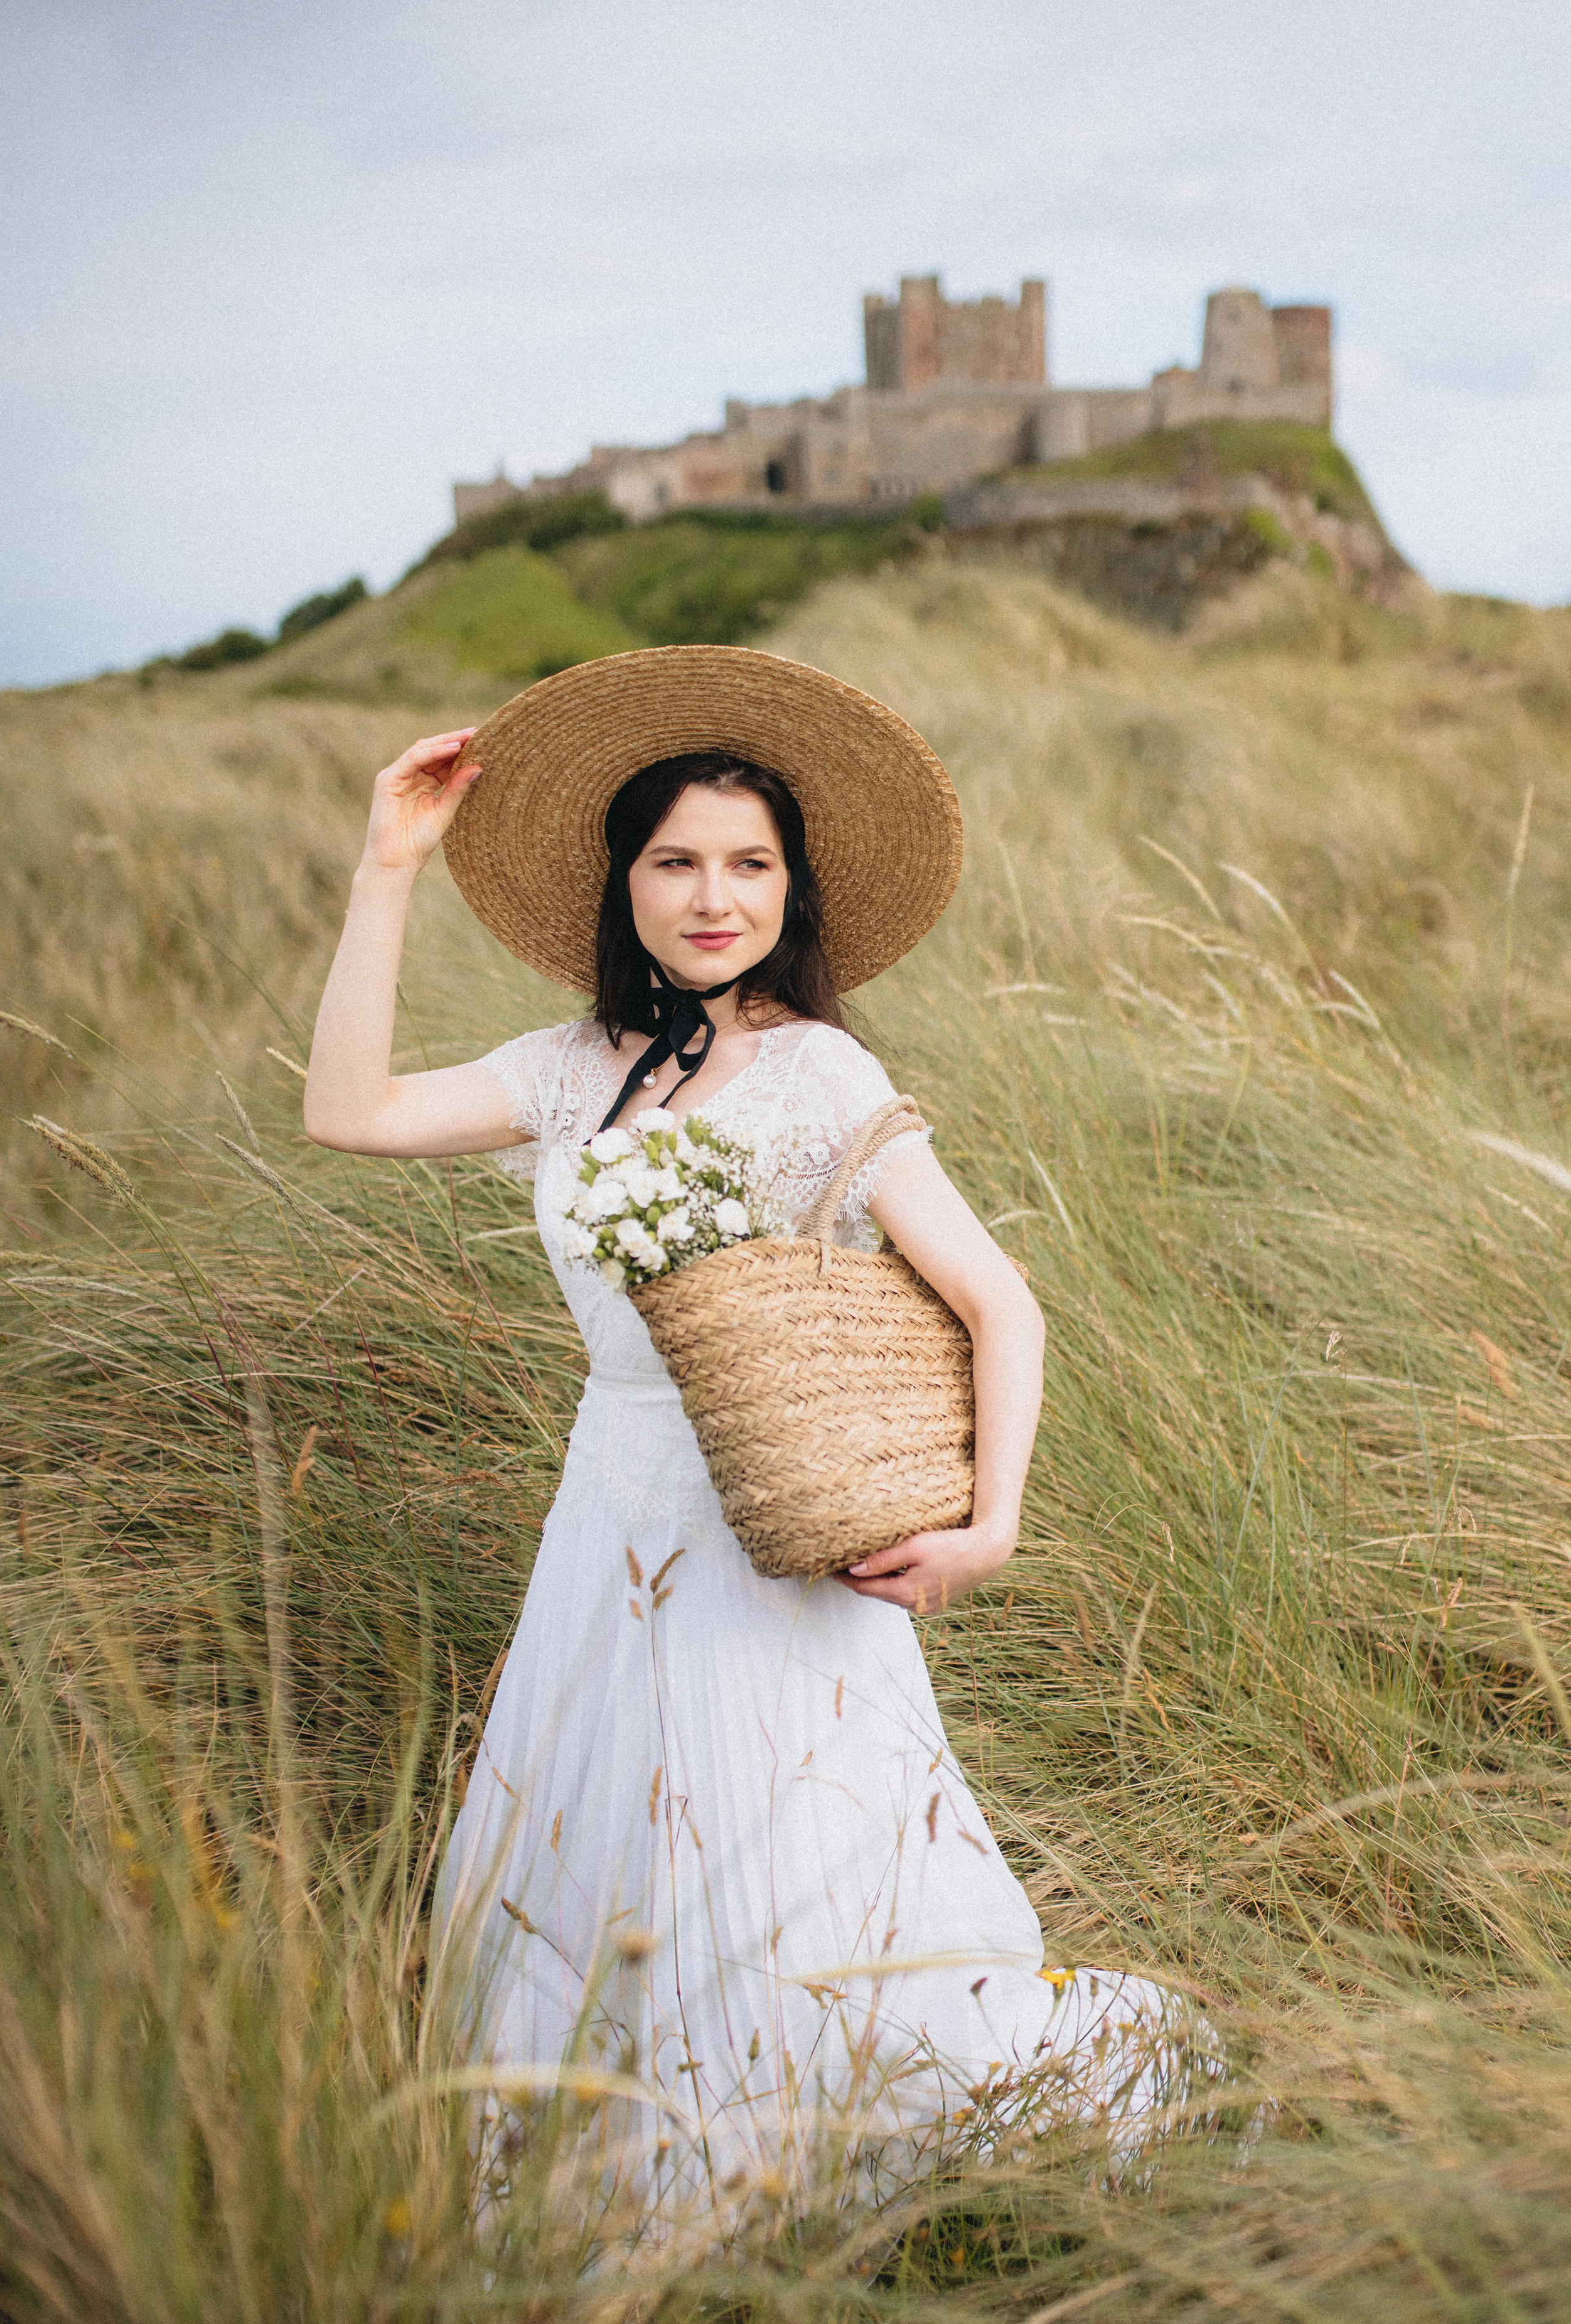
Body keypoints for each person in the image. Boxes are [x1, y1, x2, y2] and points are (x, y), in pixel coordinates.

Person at [304, 647, 1210, 2220]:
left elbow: (1003, 1306)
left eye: (747, 863)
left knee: (783, 1854)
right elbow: (348, 1113)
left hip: (771, 1531)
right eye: (673, 862)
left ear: (791, 888)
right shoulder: (570, 1070)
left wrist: (985, 1531)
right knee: (598, 1838)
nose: (710, 896)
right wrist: (387, 868)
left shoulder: (822, 1071)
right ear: (625, 884)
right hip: (606, 1513)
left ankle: (777, 2158)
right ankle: (608, 2156)